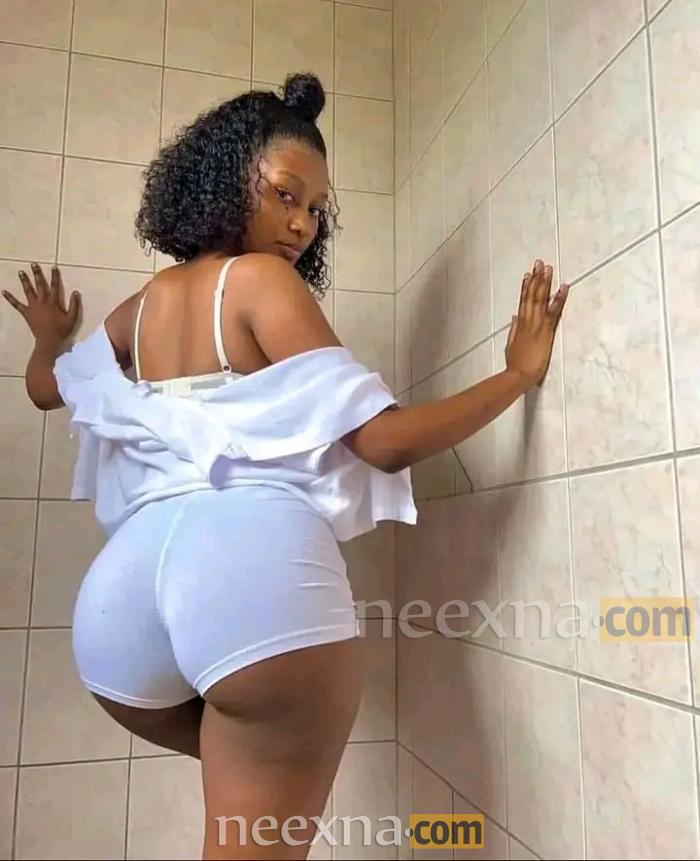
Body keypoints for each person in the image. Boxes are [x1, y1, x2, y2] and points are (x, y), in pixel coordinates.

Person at [1, 71, 568, 860]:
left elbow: (44, 390)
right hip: (251, 585)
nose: (302, 224)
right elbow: (382, 441)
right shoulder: (261, 282)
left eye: (316, 210)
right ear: (225, 178)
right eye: (285, 194)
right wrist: (515, 375)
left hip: (118, 616)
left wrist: (49, 341)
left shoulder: (147, 302)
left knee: (249, 794)